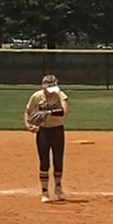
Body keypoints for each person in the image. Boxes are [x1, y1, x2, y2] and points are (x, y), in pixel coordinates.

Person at [23, 74, 69, 202]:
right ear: (43, 86)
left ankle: (58, 188)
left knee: (58, 160)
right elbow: (28, 112)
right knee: (44, 161)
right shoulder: (36, 96)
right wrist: (28, 125)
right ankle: (44, 191)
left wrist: (48, 112)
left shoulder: (60, 95)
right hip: (43, 132)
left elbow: (64, 111)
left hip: (57, 130)